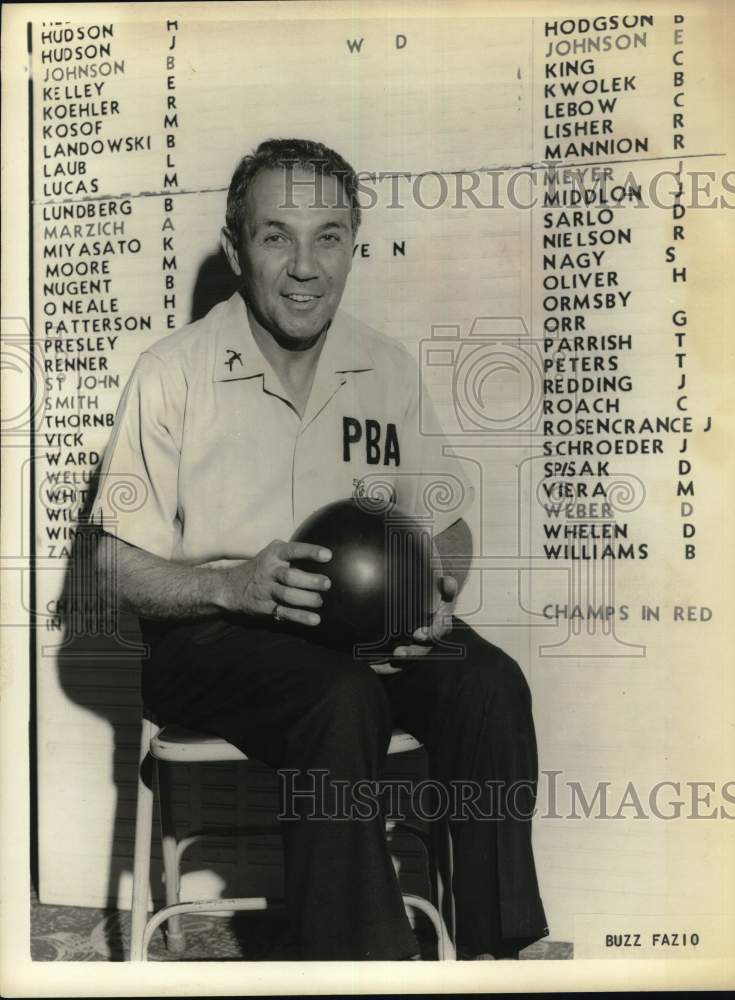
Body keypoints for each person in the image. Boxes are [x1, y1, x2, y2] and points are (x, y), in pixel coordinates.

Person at [91, 138, 548, 961]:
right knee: (338, 695)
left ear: (352, 246)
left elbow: (446, 518)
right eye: (277, 236)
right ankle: (360, 964)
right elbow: (113, 560)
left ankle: (495, 957)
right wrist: (230, 588)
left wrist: (439, 590)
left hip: (362, 632)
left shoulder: (388, 366)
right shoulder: (172, 373)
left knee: (488, 684)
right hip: (213, 639)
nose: (305, 267)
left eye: (328, 236)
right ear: (236, 249)